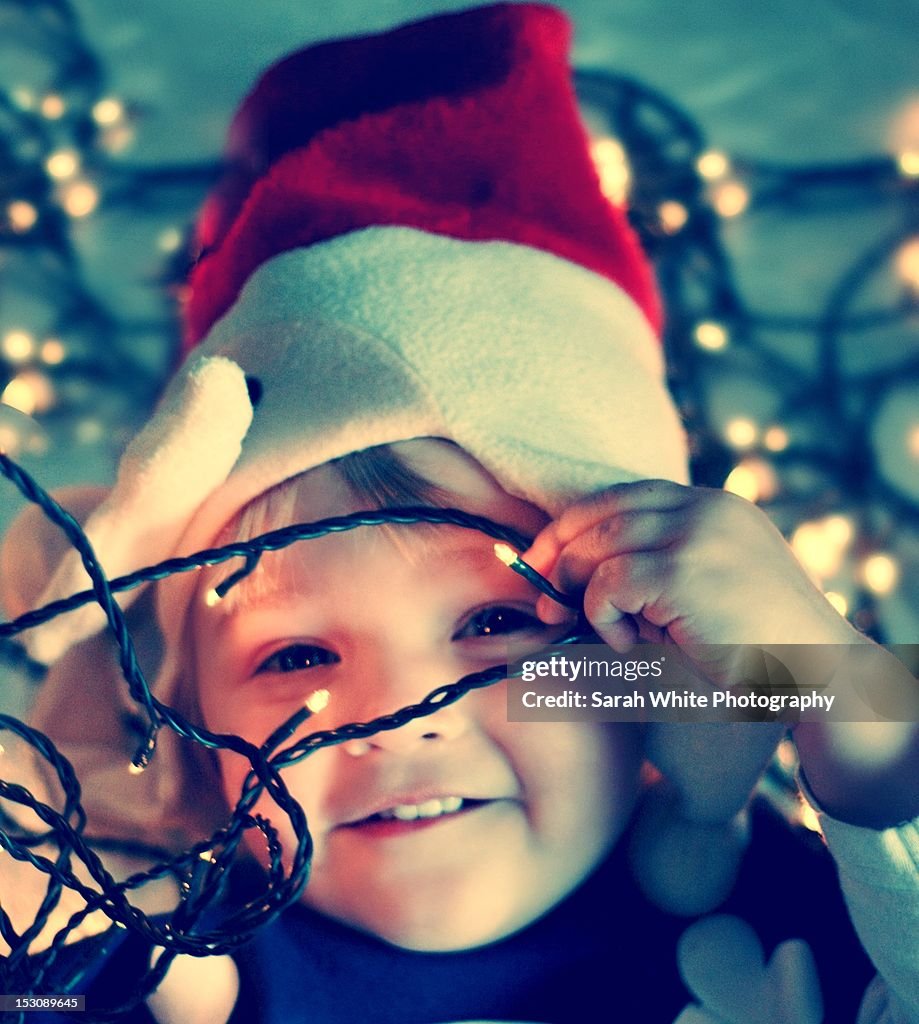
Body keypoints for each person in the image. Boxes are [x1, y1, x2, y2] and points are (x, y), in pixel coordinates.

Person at [2, 5, 917, 1022]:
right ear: (191, 731)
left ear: (651, 675)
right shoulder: (154, 972)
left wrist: (829, 683)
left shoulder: (795, 923)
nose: (396, 723)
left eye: (494, 623)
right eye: (292, 655)